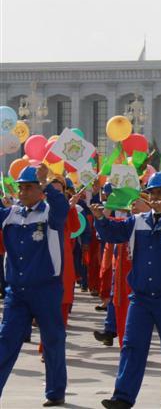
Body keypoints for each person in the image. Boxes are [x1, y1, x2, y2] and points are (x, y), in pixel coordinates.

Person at [91, 172, 161, 409]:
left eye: (160, 192)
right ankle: (123, 397)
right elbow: (112, 233)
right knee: (132, 346)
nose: (155, 197)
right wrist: (100, 218)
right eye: (151, 193)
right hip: (140, 297)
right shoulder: (138, 221)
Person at [0, 165, 69, 407]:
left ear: (40, 190)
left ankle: (55, 392)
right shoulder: (11, 213)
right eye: (21, 187)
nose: (23, 191)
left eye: (29, 186)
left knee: (52, 341)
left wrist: (48, 182)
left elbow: (63, 209)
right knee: (5, 341)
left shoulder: (50, 212)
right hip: (16, 292)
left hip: (46, 289)